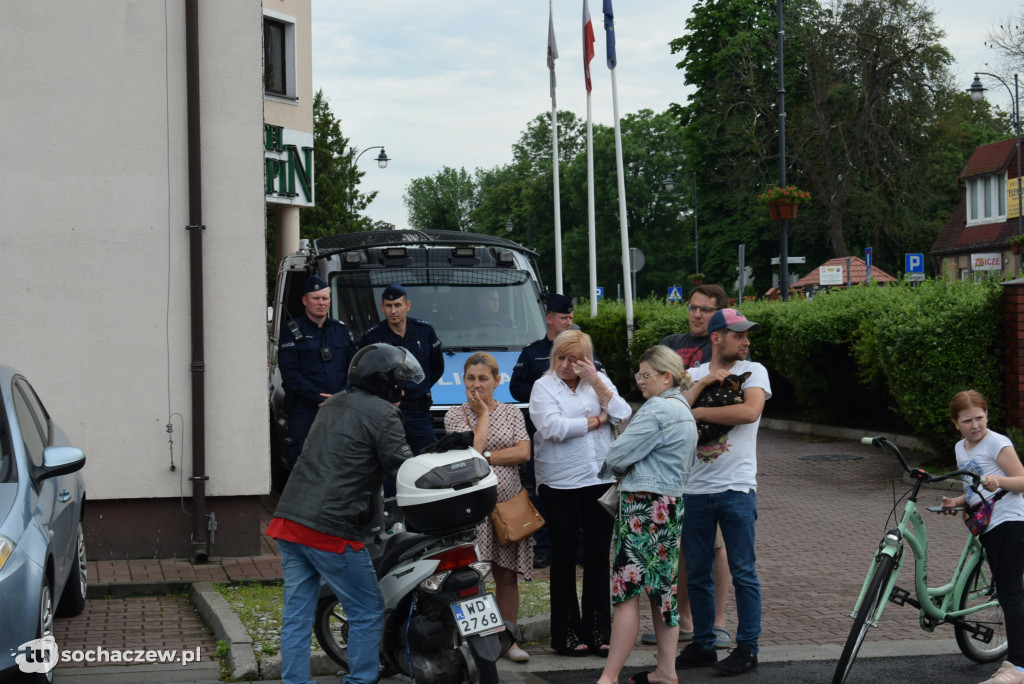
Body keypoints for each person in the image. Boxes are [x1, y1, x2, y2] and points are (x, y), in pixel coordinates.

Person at [266, 344, 423, 684]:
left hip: (290, 519)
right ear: (386, 383)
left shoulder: (333, 402)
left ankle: (295, 681)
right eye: (400, 381)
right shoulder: (385, 414)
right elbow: (405, 466)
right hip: (332, 529)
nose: (404, 388)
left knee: (297, 614)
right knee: (367, 609)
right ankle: (360, 680)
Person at [676, 308, 770, 677]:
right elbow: (672, 413)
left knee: (743, 570)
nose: (746, 341)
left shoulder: (755, 371)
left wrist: (698, 414)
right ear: (716, 338)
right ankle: (703, 644)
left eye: (747, 335)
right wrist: (697, 391)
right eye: (738, 335)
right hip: (694, 488)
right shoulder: (693, 375)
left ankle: (748, 648)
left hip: (736, 487)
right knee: (697, 571)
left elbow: (749, 412)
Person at [596, 346, 696, 684]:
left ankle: (609, 676)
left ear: (666, 376)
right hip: (669, 507)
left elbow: (616, 456)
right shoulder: (684, 409)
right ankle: (666, 670)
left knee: (626, 592)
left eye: (645, 375)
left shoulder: (657, 409)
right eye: (639, 375)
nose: (640, 382)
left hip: (642, 506)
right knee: (662, 591)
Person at [529, 329, 632, 656]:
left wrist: (597, 383)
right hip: (559, 481)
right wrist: (595, 421)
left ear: (586, 360)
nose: (565, 365)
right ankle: (566, 633)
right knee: (565, 554)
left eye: (574, 359)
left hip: (598, 477)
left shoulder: (598, 381)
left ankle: (600, 629)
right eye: (560, 357)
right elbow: (553, 428)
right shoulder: (543, 386)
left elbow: (623, 413)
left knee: (599, 554)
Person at [646, 283, 733, 649]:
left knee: (715, 546)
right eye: (693, 307)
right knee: (680, 546)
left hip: (710, 462)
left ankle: (718, 622)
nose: (696, 314)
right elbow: (660, 393)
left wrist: (687, 404)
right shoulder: (671, 343)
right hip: (675, 464)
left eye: (705, 309)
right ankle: (683, 621)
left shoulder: (720, 349)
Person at [444, 352, 534, 663]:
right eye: (471, 378)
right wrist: (482, 416)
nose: (476, 385)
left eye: (483, 378)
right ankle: (481, 643)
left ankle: (508, 640)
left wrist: (489, 458)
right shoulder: (455, 415)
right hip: (473, 510)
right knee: (472, 578)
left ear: (497, 381)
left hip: (508, 505)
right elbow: (471, 454)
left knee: (506, 576)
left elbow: (523, 452)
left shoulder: (511, 413)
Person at [940, 390, 1024, 684]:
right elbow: (975, 489)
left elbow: (1022, 480)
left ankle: (1019, 668)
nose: (975, 425)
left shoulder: (997, 443)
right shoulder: (961, 449)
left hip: (1010, 519)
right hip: (986, 525)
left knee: (1009, 591)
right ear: (956, 423)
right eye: (967, 420)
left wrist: (999, 480)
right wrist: (958, 502)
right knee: (1008, 588)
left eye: (979, 417)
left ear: (987, 415)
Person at [509, 292, 578, 569]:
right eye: (564, 318)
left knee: (578, 491)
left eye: (571, 318)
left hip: (575, 434)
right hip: (541, 435)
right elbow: (516, 388)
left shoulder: (581, 350)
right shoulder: (533, 352)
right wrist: (546, 396)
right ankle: (545, 546)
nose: (569, 323)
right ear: (549, 319)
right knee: (542, 492)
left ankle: (579, 548)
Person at [277, 275, 357, 469]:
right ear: (305, 300)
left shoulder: (341, 330)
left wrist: (340, 395)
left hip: (340, 407)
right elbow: (289, 372)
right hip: (306, 407)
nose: (321, 303)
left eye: (325, 298)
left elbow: (353, 367)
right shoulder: (291, 331)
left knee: (342, 460)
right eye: (316, 298)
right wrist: (318, 397)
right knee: (303, 462)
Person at [360, 282, 444, 455]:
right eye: (389, 306)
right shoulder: (372, 337)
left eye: (398, 305)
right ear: (382, 307)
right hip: (386, 413)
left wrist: (421, 387)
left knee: (428, 458)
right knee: (390, 463)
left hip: (418, 412)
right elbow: (364, 375)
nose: (393, 311)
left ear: (407, 306)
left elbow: (437, 367)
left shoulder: (424, 331)